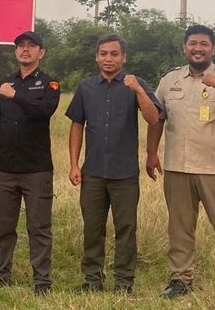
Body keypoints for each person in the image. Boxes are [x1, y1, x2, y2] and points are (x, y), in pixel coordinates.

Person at [148, 24, 215, 299]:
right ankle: (180, 280)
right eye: (192, 43)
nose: (198, 48)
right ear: (185, 47)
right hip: (178, 167)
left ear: (213, 49)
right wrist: (151, 153)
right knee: (179, 228)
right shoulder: (170, 80)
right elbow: (157, 118)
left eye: (204, 44)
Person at [66, 34, 162, 295]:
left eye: (114, 54)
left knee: (126, 229)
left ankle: (124, 282)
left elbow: (154, 118)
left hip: (125, 174)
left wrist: (139, 90)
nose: (109, 59)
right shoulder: (86, 87)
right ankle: (92, 281)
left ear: (124, 57)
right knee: (93, 229)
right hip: (93, 172)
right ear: (97, 57)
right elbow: (77, 125)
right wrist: (74, 164)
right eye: (104, 54)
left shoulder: (135, 84)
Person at [0, 31, 61, 295]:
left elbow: (44, 111)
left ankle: (42, 281)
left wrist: (15, 96)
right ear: (15, 52)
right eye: (20, 46)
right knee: (4, 227)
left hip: (36, 168)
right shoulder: (2, 83)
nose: (25, 50)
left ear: (41, 52)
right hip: (5, 167)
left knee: (39, 227)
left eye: (31, 46)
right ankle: (1, 274)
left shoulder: (50, 84)